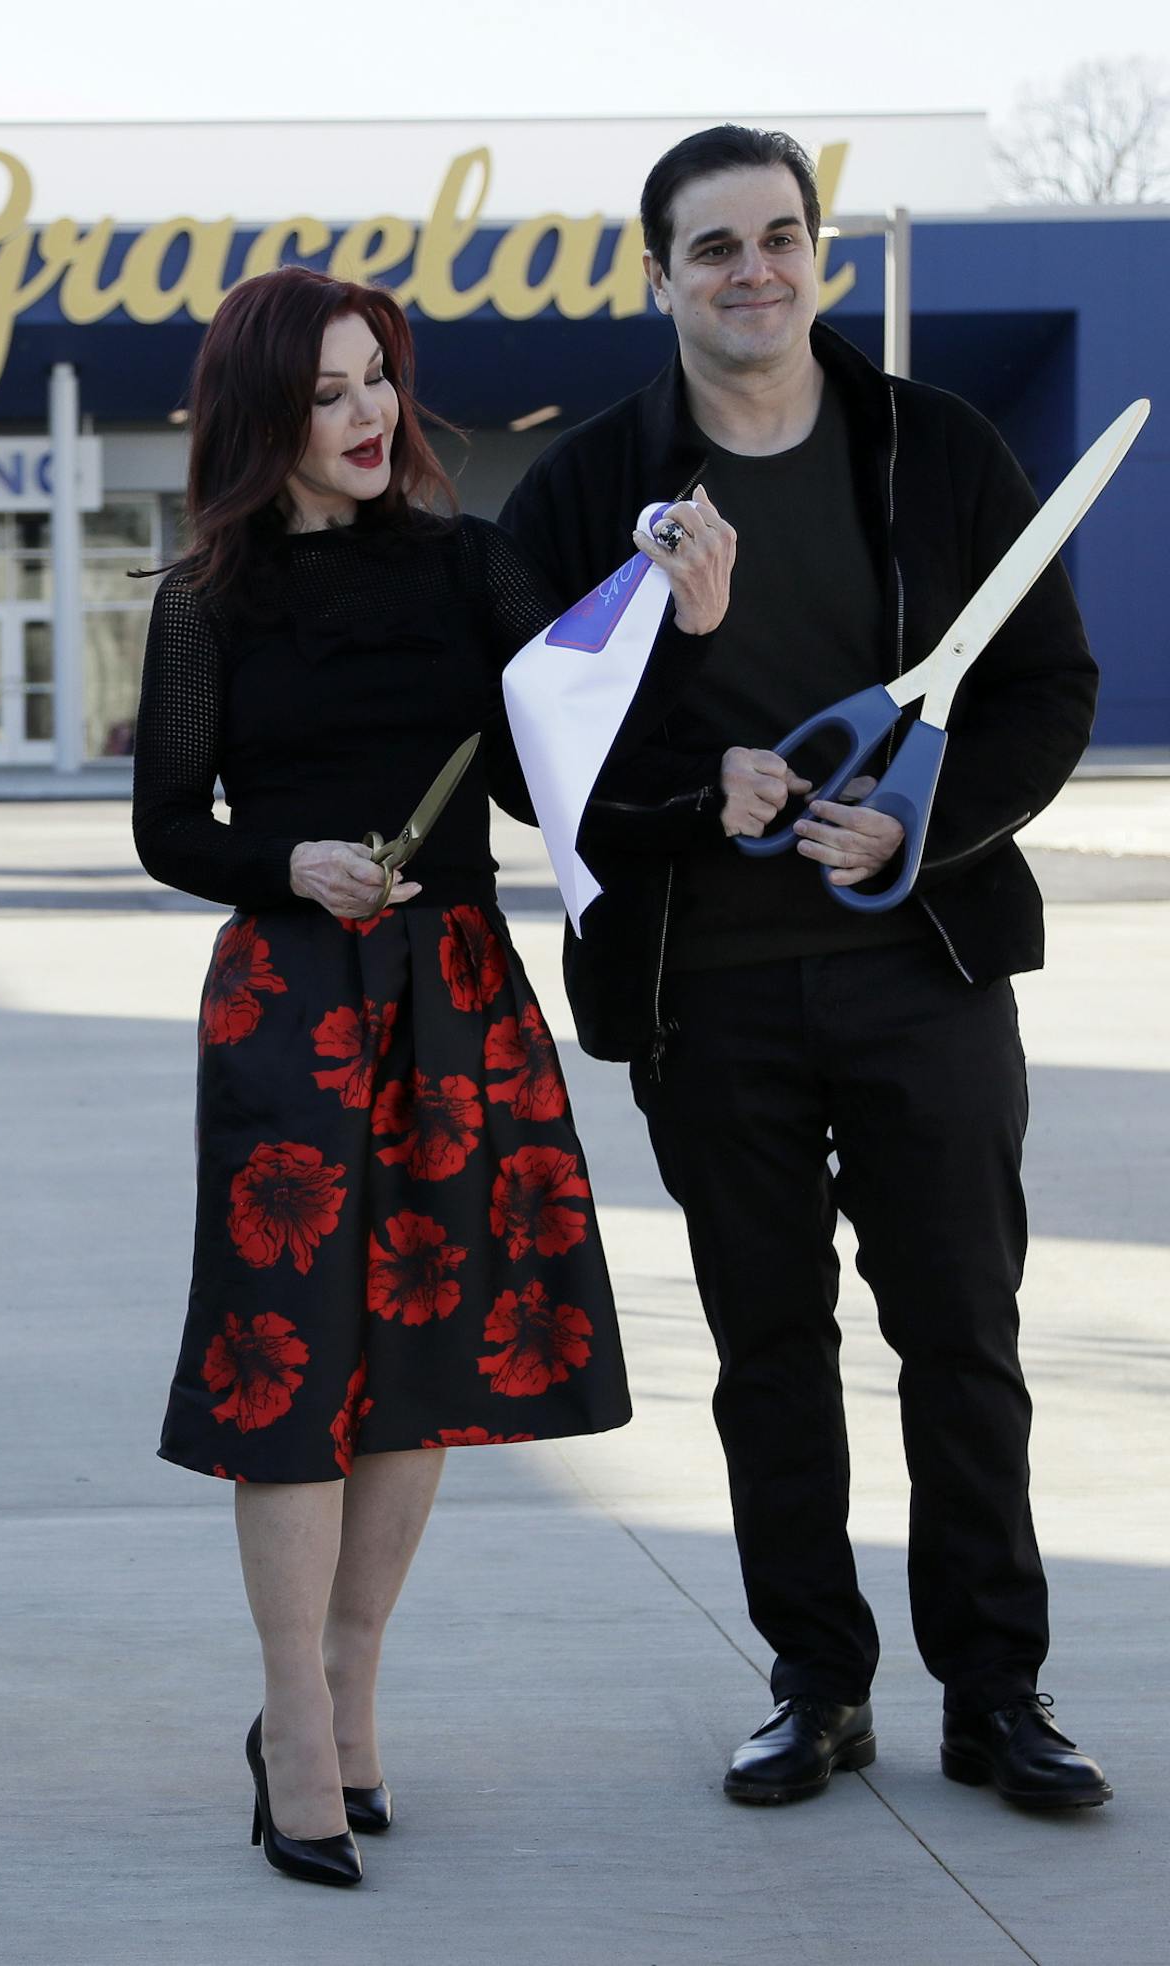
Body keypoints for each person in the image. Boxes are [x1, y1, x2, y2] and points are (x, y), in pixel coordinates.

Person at [497, 125, 1110, 1811]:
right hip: (713, 989)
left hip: (925, 970)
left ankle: (997, 1690)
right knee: (771, 1347)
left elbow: (1048, 686)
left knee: (961, 1338)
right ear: (659, 276)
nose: (753, 270)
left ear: (818, 257)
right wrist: (704, 787)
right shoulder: (579, 488)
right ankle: (816, 1683)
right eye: (714, 247)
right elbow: (523, 752)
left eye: (781, 237)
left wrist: (927, 824)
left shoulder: (939, 449)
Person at [132, 265, 732, 1883]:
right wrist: (289, 861)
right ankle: (291, 1719)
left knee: (418, 1356)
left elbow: (561, 766)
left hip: (458, 990)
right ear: (263, 417)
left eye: (376, 378)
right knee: (284, 1363)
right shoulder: (206, 600)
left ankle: (347, 1686)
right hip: (291, 1000)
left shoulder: (471, 565)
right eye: (327, 392)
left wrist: (683, 628)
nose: (367, 413)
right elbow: (168, 825)